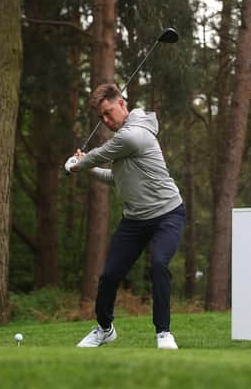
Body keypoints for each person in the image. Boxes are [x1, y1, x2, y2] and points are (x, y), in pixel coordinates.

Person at [67, 83, 185, 350]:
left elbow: (98, 156)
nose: (107, 121)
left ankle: (163, 333)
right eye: (102, 118)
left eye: (109, 113)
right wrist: (85, 168)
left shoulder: (134, 136)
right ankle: (105, 329)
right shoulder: (124, 140)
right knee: (109, 275)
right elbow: (117, 178)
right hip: (134, 220)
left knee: (158, 263)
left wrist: (78, 164)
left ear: (122, 104)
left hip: (167, 214)